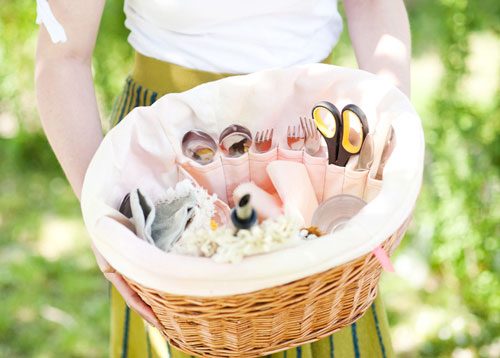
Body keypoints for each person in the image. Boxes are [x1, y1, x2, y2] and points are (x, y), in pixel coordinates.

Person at [35, 0, 411, 356]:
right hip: (169, 156)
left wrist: (397, 144)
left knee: (323, 316)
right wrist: (101, 216)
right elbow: (62, 59)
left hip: (317, 143)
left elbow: (373, 5)